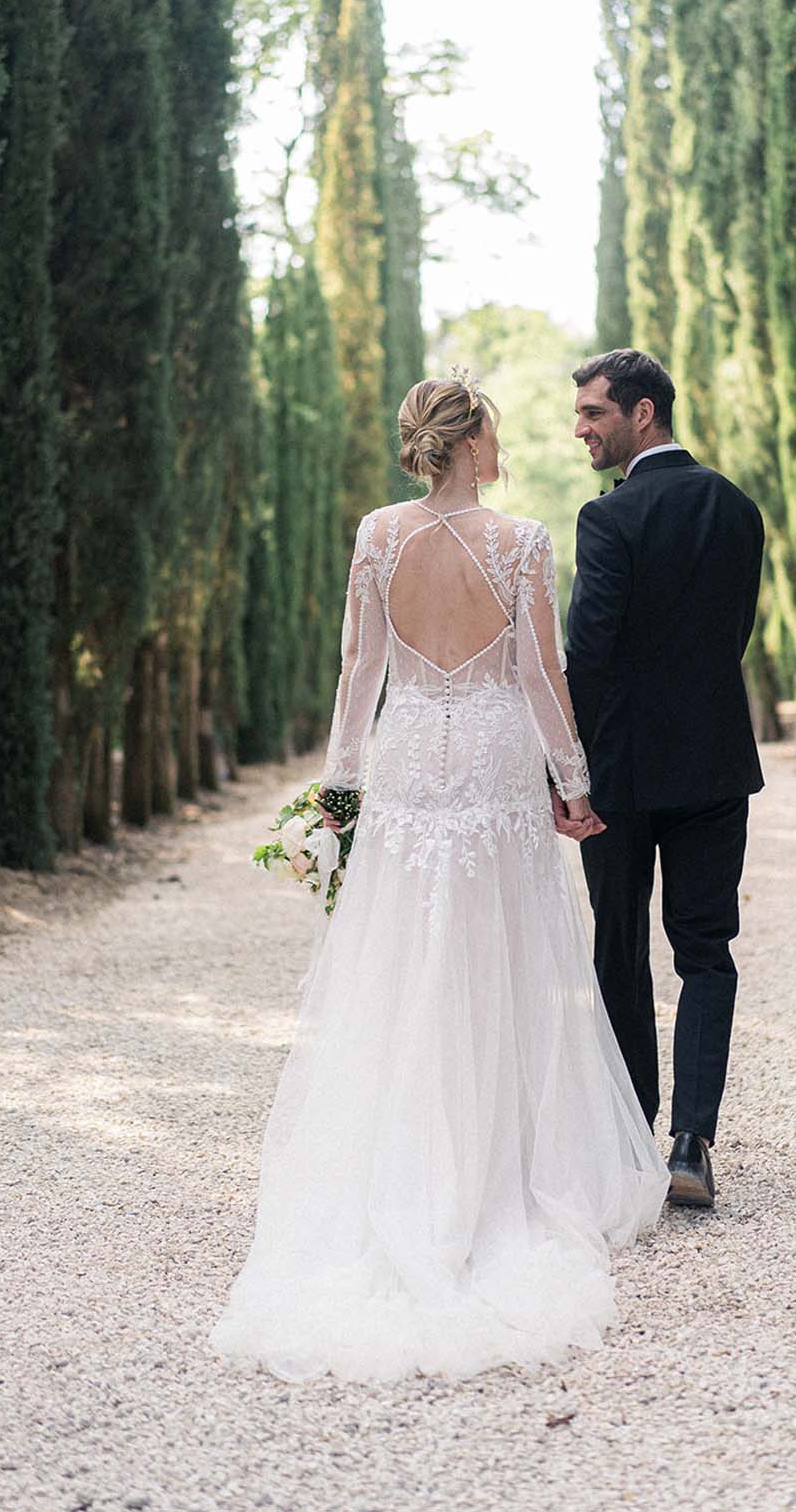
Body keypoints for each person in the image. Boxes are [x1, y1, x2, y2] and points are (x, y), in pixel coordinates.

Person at [211, 372, 668, 1385]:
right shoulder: (523, 543)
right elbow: (541, 678)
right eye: (494, 430)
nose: (502, 445)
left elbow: (356, 671)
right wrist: (578, 783)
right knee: (501, 953)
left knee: (406, 953)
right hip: (498, 766)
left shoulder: (378, 534)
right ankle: (495, 1172)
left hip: (413, 755)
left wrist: (338, 790)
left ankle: (402, 1163)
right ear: (469, 442)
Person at [564, 349, 765, 1210]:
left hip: (621, 772)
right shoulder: (738, 508)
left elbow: (589, 656)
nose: (582, 429)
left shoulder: (607, 520)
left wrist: (568, 769)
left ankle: (629, 1135)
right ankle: (692, 1141)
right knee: (706, 948)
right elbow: (735, 635)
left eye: (594, 413)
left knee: (620, 946)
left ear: (643, 413)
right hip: (715, 761)